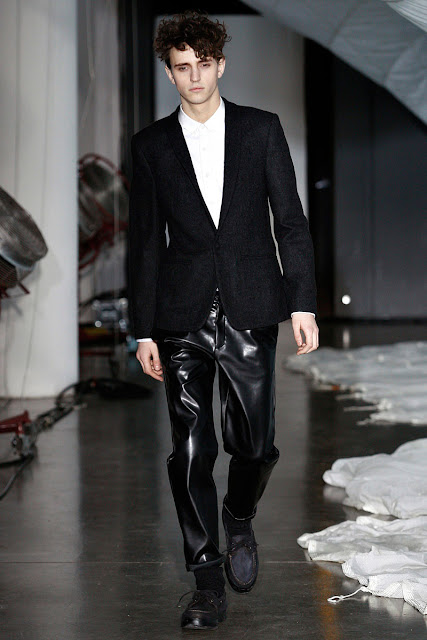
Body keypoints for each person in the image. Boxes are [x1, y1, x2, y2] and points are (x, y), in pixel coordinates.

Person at [127, 9, 319, 631]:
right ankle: (207, 581)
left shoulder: (261, 130)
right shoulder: (151, 146)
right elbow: (144, 243)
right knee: (189, 450)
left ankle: (239, 514)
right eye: (182, 67)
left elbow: (290, 221)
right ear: (169, 72)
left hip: (251, 305)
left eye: (203, 64)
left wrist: (303, 302)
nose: (194, 77)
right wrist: (143, 328)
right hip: (179, 314)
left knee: (255, 443)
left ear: (220, 65)